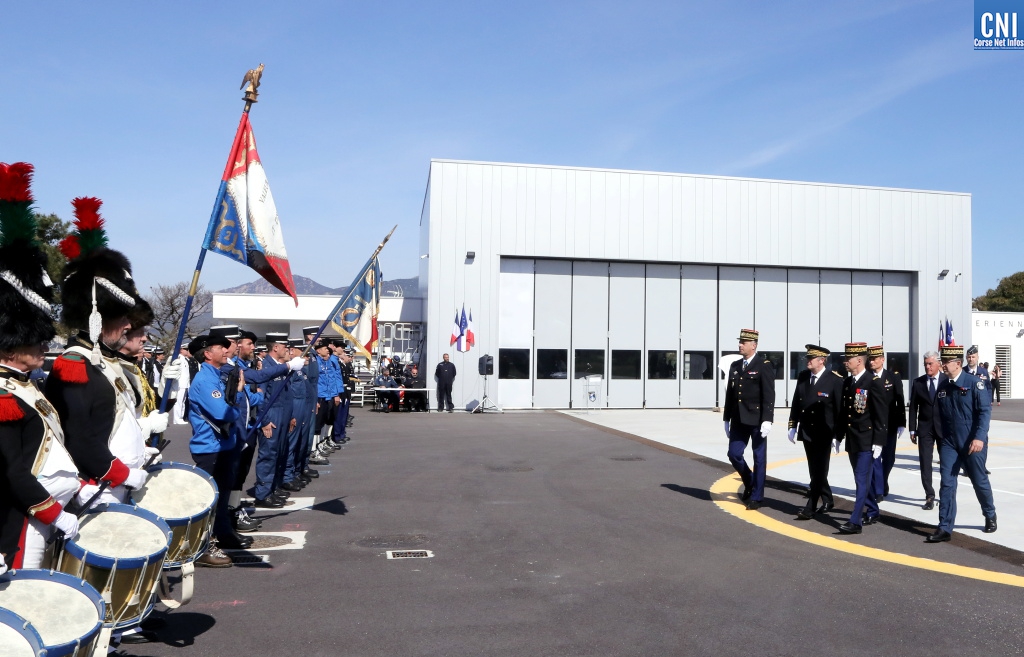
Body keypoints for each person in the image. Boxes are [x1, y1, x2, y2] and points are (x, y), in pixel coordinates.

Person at [46, 196, 154, 505]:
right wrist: (119, 474)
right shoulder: (74, 365)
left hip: (119, 482)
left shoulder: (105, 362)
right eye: (121, 319)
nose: (127, 326)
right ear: (97, 319)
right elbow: (79, 436)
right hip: (101, 485)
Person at [0, 161, 81, 569]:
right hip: (24, 515)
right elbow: (12, 470)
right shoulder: (3, 396)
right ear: (11, 345)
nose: (42, 347)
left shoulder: (26, 383)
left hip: (49, 508)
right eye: (34, 342)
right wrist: (50, 510)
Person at [927, 345, 997, 542]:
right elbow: (940, 415)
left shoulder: (975, 384)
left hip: (972, 440)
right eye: (942, 362)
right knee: (947, 482)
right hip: (950, 442)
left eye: (946, 362)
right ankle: (944, 527)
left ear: (958, 364)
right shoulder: (943, 387)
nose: (943, 366)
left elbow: (984, 413)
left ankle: (990, 514)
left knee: (978, 479)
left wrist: (979, 437)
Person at [186, 333, 244, 566]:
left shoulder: (216, 376)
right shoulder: (205, 380)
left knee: (222, 495)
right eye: (221, 347)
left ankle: (223, 532)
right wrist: (237, 400)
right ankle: (202, 546)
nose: (226, 350)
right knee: (208, 499)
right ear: (208, 353)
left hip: (223, 444)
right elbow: (222, 412)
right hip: (210, 447)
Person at [787, 345, 844, 519]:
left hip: (824, 432)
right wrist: (792, 424)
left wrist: (838, 435)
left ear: (822, 361)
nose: (808, 361)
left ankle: (810, 506)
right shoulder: (804, 376)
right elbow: (797, 401)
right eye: (807, 357)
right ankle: (827, 499)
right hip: (807, 430)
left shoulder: (834, 380)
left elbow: (839, 411)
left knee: (820, 470)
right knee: (814, 469)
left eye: (811, 358)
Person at [836, 342, 887, 534]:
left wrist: (879, 441)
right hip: (852, 439)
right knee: (860, 479)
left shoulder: (873, 382)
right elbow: (845, 413)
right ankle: (872, 509)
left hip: (867, 439)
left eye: (848, 359)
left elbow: (881, 414)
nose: (845, 362)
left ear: (859, 360)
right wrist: (838, 436)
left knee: (861, 480)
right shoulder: (848, 382)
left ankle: (855, 521)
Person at [722, 328, 776, 510]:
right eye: (740, 342)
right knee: (734, 454)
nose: (740, 345)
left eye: (743, 343)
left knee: (759, 458)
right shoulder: (735, 366)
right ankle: (749, 480)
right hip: (738, 419)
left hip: (757, 420)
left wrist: (768, 419)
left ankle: (757, 496)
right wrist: (726, 418)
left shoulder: (764, 365)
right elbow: (730, 394)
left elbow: (769, 394)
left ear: (754, 345)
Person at [866, 345, 906, 499]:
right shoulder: (867, 377)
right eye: (870, 359)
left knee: (889, 457)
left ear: (882, 360)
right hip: (873, 424)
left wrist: (902, 422)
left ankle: (883, 481)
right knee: (875, 457)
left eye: (875, 359)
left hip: (889, 423)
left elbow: (899, 400)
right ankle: (878, 488)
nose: (872, 362)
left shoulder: (893, 376)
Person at [908, 351, 946, 510]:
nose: (927, 367)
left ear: (938, 364)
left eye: (930, 364)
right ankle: (929, 495)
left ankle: (945, 495)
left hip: (944, 428)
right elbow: (913, 408)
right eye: (925, 364)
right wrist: (912, 429)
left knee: (946, 463)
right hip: (924, 429)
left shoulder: (946, 380)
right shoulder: (918, 383)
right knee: (925, 462)